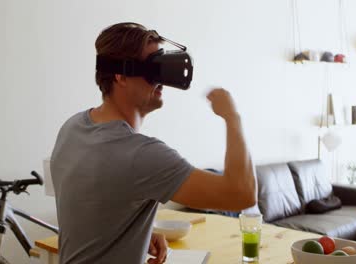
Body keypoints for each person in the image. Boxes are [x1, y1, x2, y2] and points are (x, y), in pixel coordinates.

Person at [50, 22, 256, 264]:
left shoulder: (73, 128)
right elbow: (241, 195)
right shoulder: (140, 155)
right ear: (121, 76)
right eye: (154, 68)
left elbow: (92, 205)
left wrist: (137, 230)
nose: (162, 80)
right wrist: (232, 118)